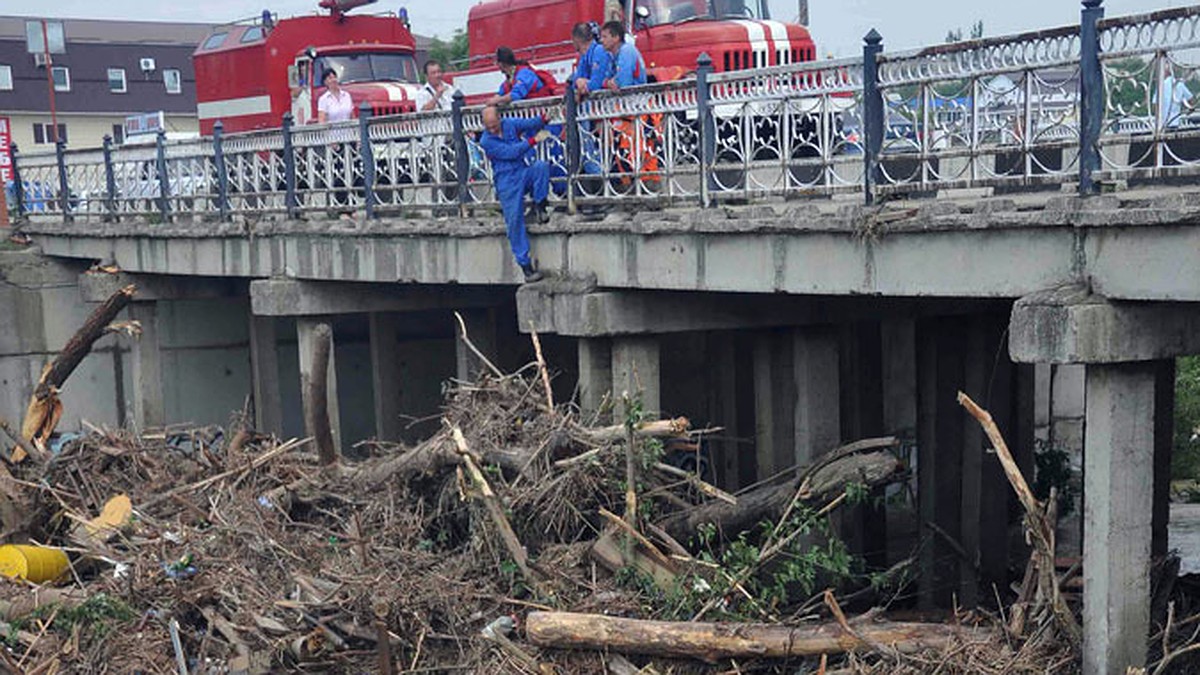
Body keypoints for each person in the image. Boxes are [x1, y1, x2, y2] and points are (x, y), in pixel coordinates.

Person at [479, 105, 551, 282]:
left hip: (521, 171)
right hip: (506, 181)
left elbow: (528, 123)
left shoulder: (509, 124)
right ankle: (526, 267)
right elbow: (511, 153)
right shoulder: (486, 141)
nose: (492, 129)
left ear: (500, 119)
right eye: (488, 126)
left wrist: (543, 119)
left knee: (541, 167)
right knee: (514, 222)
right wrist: (533, 141)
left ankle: (540, 206)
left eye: (494, 125)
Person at [599, 21, 660, 190]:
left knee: (640, 150)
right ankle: (636, 187)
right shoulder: (615, 55)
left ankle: (647, 187)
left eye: (605, 36)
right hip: (629, 110)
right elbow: (607, 81)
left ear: (616, 37)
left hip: (637, 109)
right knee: (627, 150)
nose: (601, 40)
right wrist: (610, 82)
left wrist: (611, 82)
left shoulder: (626, 52)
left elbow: (622, 82)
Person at [487, 47, 553, 106]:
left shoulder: (525, 74)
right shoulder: (509, 79)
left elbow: (516, 95)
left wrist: (497, 100)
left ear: (501, 64)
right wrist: (495, 99)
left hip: (539, 112)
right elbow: (501, 92)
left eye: (497, 63)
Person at [571, 22, 611, 97]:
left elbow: (597, 84)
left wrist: (585, 85)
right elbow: (576, 81)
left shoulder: (600, 51)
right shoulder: (584, 56)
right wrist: (578, 83)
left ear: (576, 40)